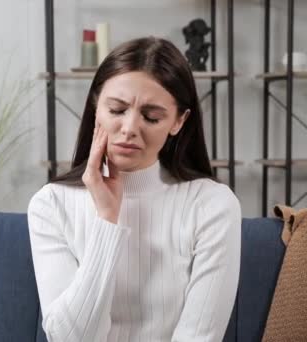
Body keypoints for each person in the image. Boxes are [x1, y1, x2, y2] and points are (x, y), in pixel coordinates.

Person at [27, 36, 241, 342]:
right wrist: (106, 220)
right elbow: (70, 338)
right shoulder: (51, 204)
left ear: (179, 121)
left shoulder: (212, 205)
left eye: (151, 117)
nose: (129, 129)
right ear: (96, 107)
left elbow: (199, 336)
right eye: (116, 110)